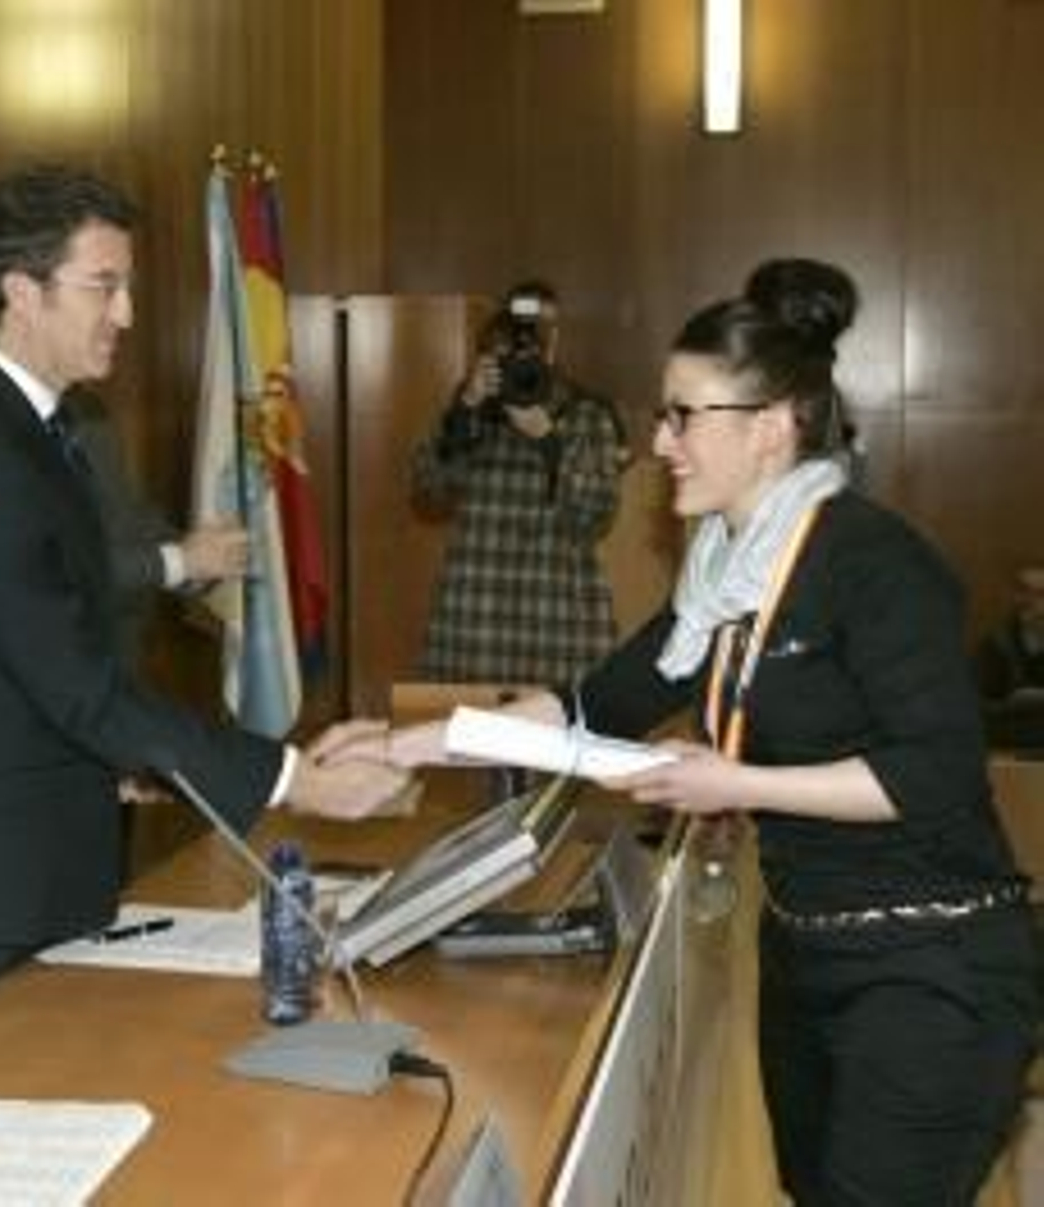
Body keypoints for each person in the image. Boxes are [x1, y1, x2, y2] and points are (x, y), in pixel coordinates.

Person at [324, 258, 1040, 1205]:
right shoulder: (721, 577)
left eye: (683, 416)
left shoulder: (873, 562)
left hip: (931, 970)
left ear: (774, 429)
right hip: (805, 953)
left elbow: (932, 774)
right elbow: (590, 704)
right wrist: (413, 741)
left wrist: (736, 784)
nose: (660, 442)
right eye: (663, 414)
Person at [0, 163, 408, 1033]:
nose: (126, 314)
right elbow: (74, 679)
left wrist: (127, 756)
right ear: (21, 291)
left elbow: (42, 655)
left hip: (31, 844)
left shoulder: (34, 420)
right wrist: (294, 777)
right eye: (103, 287)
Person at [411, 279, 626, 686]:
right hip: (475, 621)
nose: (528, 348)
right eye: (517, 337)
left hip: (557, 624)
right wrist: (465, 411)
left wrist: (550, 441)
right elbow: (427, 493)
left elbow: (597, 515)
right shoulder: (472, 407)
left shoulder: (586, 413)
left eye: (540, 336)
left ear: (555, 343)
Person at [60, 385, 249, 665]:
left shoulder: (84, 408)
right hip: (49, 670)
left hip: (118, 659)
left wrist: (201, 559)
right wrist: (181, 561)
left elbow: (127, 514)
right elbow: (54, 564)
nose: (113, 338)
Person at [974, 565, 1044, 750]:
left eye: (1040, 594)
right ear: (1016, 598)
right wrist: (1014, 703)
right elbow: (977, 708)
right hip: (1010, 746)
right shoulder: (996, 647)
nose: (1033, 603)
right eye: (1026, 593)